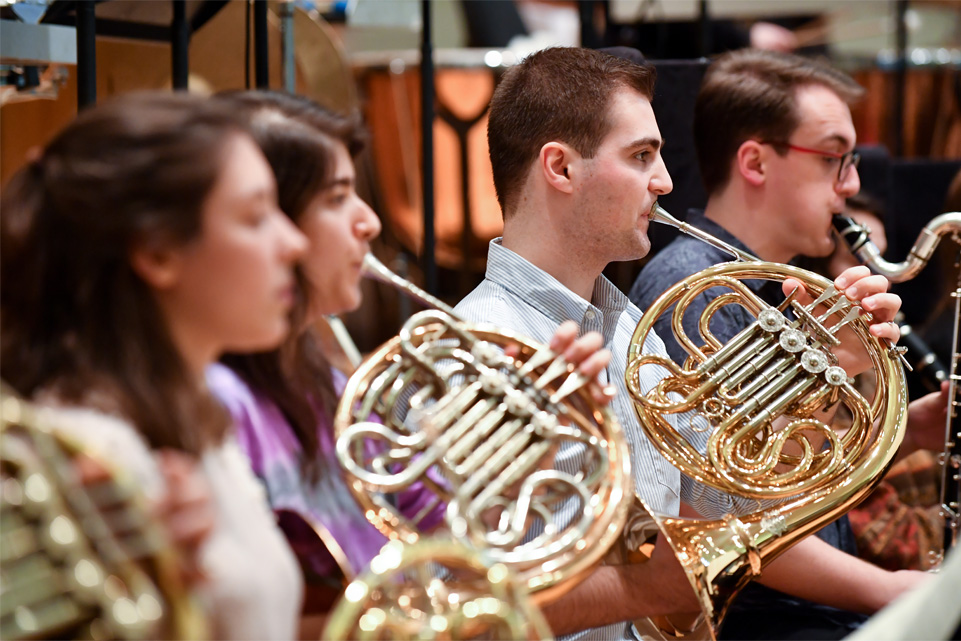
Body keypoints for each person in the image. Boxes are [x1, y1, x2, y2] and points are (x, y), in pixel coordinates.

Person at [454, 45, 923, 640]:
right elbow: (463, 601)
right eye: (641, 156)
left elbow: (734, 499)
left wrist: (831, 372)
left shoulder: (626, 329)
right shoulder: (479, 350)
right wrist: (646, 590)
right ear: (561, 168)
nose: (665, 181)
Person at [203, 90, 615, 627]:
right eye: (336, 198)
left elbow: (446, 553)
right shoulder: (221, 402)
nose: (369, 222)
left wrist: (523, 447)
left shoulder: (325, 383)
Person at [630, 48, 928, 640]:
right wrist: (891, 590)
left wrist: (907, 431)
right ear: (756, 162)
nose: (854, 184)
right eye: (833, 158)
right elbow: (728, 503)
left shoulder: (778, 290)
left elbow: (792, 469)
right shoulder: (696, 291)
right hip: (764, 620)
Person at [0, 92, 309, 640]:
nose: (293, 241)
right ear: (159, 252)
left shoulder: (197, 413)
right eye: (256, 217)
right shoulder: (87, 450)